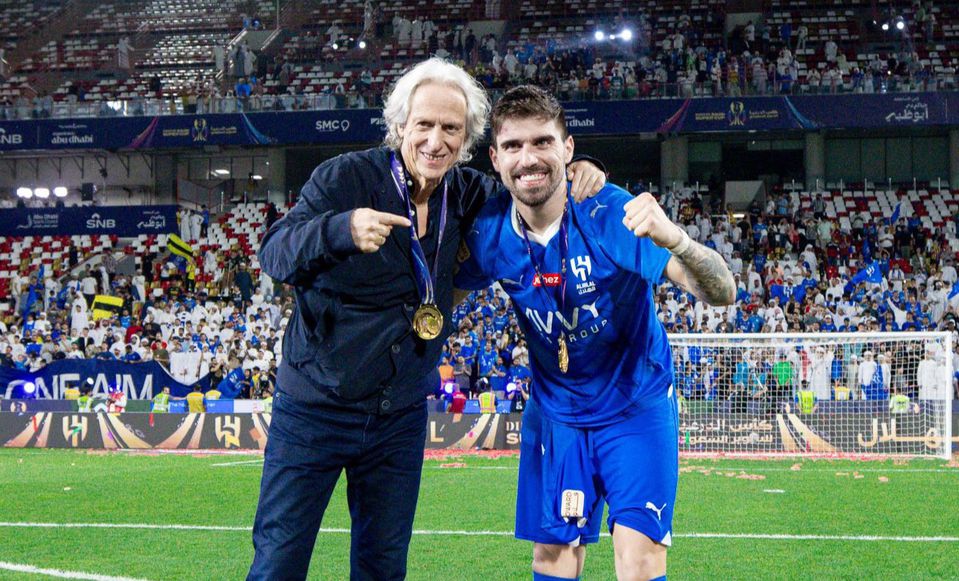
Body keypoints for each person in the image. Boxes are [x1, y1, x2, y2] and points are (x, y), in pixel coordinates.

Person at [248, 58, 606, 581]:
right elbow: (274, 253)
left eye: (451, 129)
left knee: (384, 566)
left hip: (400, 415)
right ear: (400, 127)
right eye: (425, 125)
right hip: (316, 409)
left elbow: (528, 184)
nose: (436, 141)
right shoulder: (346, 177)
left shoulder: (468, 195)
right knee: (280, 560)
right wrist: (340, 228)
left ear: (466, 141)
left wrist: (576, 166)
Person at [453, 85, 736, 581]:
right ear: (495, 158)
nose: (529, 159)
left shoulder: (608, 212)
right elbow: (442, 298)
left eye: (542, 142)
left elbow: (721, 291)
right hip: (557, 413)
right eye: (514, 147)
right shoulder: (490, 231)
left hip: (634, 404)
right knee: (552, 558)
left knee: (638, 560)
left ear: (567, 149)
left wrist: (678, 239)